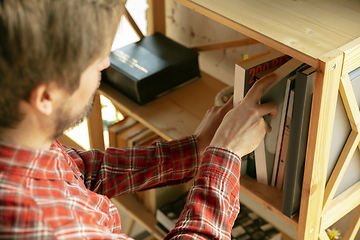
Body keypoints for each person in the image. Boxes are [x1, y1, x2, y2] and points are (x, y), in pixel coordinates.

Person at [0, 0, 278, 239]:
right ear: (46, 96)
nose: (106, 63)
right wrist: (225, 154)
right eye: (94, 58)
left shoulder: (21, 140)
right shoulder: (45, 226)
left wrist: (194, 150)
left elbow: (80, 172)